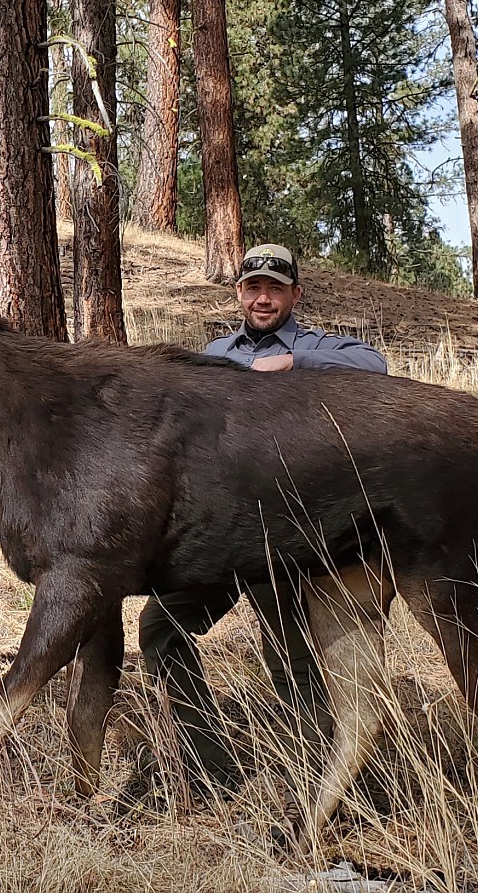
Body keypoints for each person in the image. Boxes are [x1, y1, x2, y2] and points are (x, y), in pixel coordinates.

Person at [138, 242, 388, 800]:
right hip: (218, 532)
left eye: (276, 288)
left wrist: (294, 363)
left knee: (293, 660)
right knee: (160, 628)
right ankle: (209, 767)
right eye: (254, 287)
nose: (264, 297)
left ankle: (322, 788)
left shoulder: (315, 347)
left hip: (283, 531)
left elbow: (376, 366)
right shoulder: (216, 352)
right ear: (239, 293)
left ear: (295, 295)